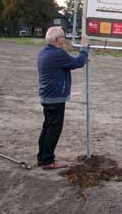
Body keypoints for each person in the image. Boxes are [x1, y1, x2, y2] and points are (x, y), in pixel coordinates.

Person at [36, 26, 89, 169]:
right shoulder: (58, 54)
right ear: (58, 40)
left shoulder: (43, 52)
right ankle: (48, 161)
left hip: (46, 97)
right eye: (63, 36)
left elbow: (69, 64)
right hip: (55, 98)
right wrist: (84, 48)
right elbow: (77, 63)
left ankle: (42, 158)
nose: (65, 39)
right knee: (54, 129)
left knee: (47, 127)